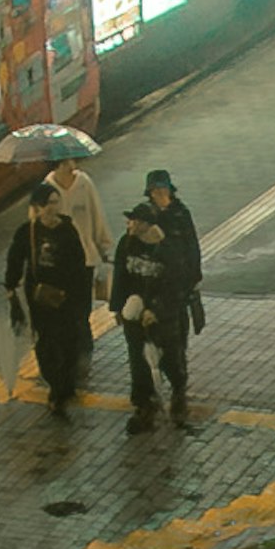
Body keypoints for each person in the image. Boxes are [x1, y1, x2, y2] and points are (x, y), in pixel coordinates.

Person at [112, 170, 205, 428]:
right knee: (138, 358)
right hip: (136, 311)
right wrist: (117, 307)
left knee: (171, 355)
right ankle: (144, 405)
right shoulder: (127, 244)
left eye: (135, 222)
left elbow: (182, 270)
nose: (131, 226)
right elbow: (120, 275)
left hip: (167, 309)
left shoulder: (172, 236)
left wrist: (161, 308)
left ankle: (178, 393)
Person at [1, 174, 98, 413]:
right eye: (49, 203)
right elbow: (15, 261)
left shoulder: (67, 229)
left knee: (68, 341)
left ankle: (65, 385)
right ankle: (56, 385)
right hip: (40, 297)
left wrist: (77, 295)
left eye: (56, 202)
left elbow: (78, 262)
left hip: (67, 296)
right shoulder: (28, 232)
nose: (53, 207)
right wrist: (10, 286)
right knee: (45, 342)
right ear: (37, 207)